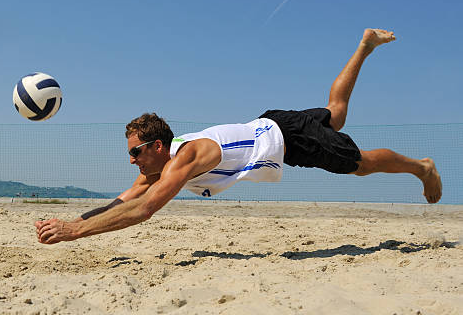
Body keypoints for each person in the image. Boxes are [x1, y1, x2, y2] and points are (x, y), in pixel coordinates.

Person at [35, 29, 442, 244]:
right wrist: (71, 221)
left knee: (363, 166)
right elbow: (125, 199)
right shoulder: (159, 165)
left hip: (289, 139)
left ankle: (421, 167)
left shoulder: (188, 157)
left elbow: (145, 210)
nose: (132, 161)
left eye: (136, 153)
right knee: (334, 114)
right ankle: (364, 47)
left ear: (158, 146)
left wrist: (74, 233)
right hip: (273, 124)